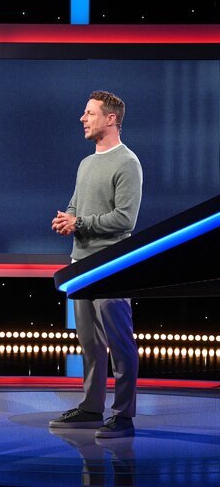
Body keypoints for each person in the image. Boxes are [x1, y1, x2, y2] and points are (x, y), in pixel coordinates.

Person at [49, 91, 143, 438]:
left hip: (111, 265)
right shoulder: (86, 163)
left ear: (111, 119)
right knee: (89, 342)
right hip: (81, 265)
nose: (82, 118)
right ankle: (91, 408)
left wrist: (81, 223)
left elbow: (124, 219)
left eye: (89, 113)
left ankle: (123, 416)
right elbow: (77, 205)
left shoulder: (127, 162)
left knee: (119, 342)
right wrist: (66, 219)